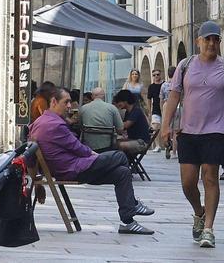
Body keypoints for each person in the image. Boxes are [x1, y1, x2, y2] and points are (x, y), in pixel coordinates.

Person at [161, 21, 224, 249]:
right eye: (207, 39)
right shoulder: (185, 65)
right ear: (198, 41)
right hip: (188, 132)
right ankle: (199, 212)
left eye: (215, 39)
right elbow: (174, 97)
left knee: (210, 177)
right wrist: (165, 125)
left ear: (219, 42)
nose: (211, 43)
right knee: (188, 184)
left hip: (216, 131)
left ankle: (208, 228)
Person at [29, 87, 155, 234]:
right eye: (66, 102)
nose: (70, 106)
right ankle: (132, 205)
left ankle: (128, 222)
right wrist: (94, 155)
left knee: (122, 172)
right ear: (54, 102)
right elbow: (78, 148)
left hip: (67, 168)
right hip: (73, 170)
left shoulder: (40, 122)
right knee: (119, 156)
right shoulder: (54, 125)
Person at [79, 87, 123, 152]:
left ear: (92, 96)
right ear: (104, 96)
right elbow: (120, 129)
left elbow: (80, 127)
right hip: (107, 147)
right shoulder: (112, 108)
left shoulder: (83, 108)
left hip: (88, 146)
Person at [112, 89, 151, 155]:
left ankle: (124, 162)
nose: (118, 105)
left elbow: (125, 125)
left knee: (120, 145)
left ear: (125, 101)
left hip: (141, 142)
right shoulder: (128, 112)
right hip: (133, 140)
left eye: (119, 102)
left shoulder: (136, 111)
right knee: (113, 143)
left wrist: (115, 122)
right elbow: (121, 129)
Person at [147, 69, 165, 151]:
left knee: (165, 127)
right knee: (155, 126)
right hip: (155, 109)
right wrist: (149, 111)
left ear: (160, 74)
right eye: (154, 75)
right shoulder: (151, 87)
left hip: (165, 108)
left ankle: (166, 144)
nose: (156, 76)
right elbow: (149, 99)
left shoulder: (164, 84)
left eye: (157, 74)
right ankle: (157, 145)